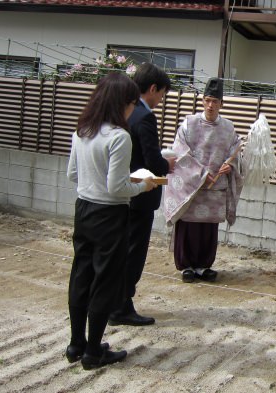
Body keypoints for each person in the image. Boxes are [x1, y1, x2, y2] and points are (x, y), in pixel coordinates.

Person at [65, 73, 157, 370]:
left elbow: (72, 175)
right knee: (105, 282)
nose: (133, 110)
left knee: (81, 275)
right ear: (123, 104)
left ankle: (76, 344)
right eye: (132, 104)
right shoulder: (119, 137)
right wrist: (144, 185)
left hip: (83, 210)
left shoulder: (82, 130)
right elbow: (118, 188)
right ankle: (94, 352)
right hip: (111, 215)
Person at [109, 63, 176, 327]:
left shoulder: (121, 112)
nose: (161, 100)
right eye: (162, 94)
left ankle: (115, 303)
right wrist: (167, 164)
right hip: (140, 195)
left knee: (118, 251)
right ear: (152, 88)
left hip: (118, 194)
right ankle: (122, 306)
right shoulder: (145, 116)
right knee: (134, 253)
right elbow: (151, 161)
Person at [162, 77, 245, 283]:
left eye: (215, 101)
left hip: (215, 186)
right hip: (192, 186)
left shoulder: (228, 127)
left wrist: (230, 165)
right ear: (202, 101)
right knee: (189, 225)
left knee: (208, 228)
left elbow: (236, 152)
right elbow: (180, 152)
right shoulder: (189, 124)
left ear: (221, 104)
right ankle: (187, 266)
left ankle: (203, 265)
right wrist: (200, 173)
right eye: (207, 100)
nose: (210, 105)